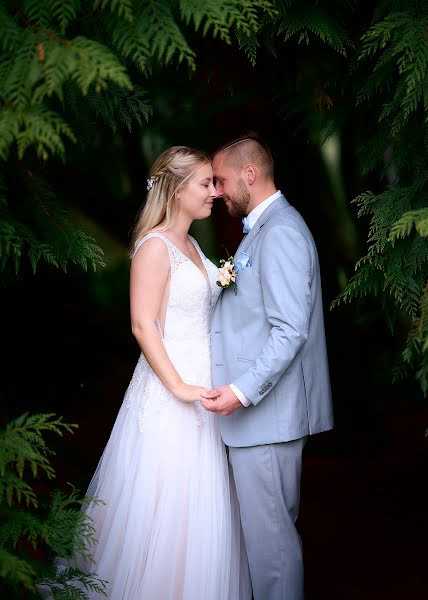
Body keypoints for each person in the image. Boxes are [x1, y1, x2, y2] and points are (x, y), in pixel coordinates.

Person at [76, 146, 250, 599]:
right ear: (175, 189)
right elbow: (142, 322)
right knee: (166, 502)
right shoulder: (154, 247)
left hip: (206, 390)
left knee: (201, 507)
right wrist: (177, 386)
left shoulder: (191, 244)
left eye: (214, 183)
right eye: (205, 183)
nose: (215, 191)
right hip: (173, 389)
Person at [201, 134, 334, 600]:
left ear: (249, 175)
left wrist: (240, 390)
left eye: (221, 180)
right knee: (267, 545)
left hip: (267, 420)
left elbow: (290, 330)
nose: (216, 191)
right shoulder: (264, 229)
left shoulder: (281, 232)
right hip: (263, 423)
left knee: (272, 549)